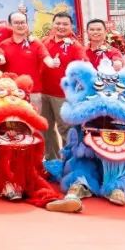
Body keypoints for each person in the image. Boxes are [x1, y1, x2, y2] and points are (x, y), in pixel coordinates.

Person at [38, 12, 86, 160]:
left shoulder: (75, 46)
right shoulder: (44, 41)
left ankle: (69, 161)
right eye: (58, 23)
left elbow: (83, 68)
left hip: (63, 95)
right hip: (43, 92)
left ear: (71, 26)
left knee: (66, 130)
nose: (61, 27)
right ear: (53, 24)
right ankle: (52, 160)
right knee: (45, 129)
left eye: (65, 24)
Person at [0, 11, 58, 105]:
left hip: (32, 93)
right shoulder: (4, 45)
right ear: (10, 25)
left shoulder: (35, 43)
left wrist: (53, 62)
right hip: (11, 93)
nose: (20, 25)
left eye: (23, 22)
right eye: (16, 23)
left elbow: (47, 60)